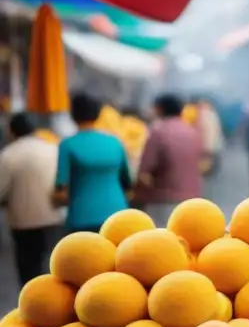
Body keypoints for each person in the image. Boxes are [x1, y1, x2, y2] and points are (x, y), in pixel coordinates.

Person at [0, 113, 65, 285]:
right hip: (53, 216)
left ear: (12, 131)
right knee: (52, 263)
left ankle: (31, 304)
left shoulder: (8, 155)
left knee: (28, 267)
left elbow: (1, 189)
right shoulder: (53, 149)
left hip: (23, 221)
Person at [54, 92, 132, 234]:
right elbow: (127, 181)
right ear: (97, 114)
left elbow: (61, 190)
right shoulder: (115, 142)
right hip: (118, 215)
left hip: (82, 217)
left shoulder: (67, 145)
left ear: (73, 115)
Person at [135, 93, 205, 227]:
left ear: (159, 109)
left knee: (163, 243)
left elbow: (144, 171)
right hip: (192, 198)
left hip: (163, 201)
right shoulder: (193, 131)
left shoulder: (158, 131)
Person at [197, 97, 224, 177]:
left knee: (207, 158)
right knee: (210, 157)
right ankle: (210, 171)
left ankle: (207, 171)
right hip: (211, 141)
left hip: (206, 141)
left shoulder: (200, 115)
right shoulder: (213, 114)